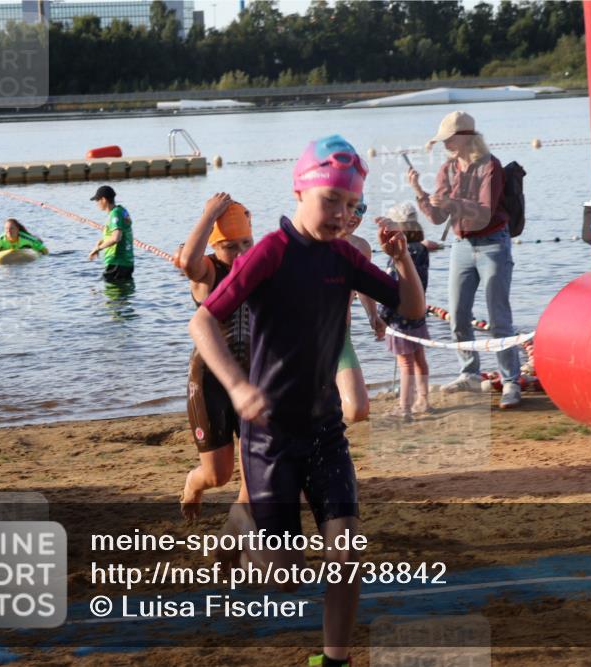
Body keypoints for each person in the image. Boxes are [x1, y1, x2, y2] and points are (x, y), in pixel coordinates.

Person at [189, 135, 425, 667]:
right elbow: (202, 323)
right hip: (269, 438)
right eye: (331, 200)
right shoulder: (269, 253)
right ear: (299, 191)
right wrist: (238, 386)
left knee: (347, 554)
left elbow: (411, 307)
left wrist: (402, 260)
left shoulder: (343, 256)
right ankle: (243, 526)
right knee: (283, 577)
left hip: (324, 432)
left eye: (351, 204)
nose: (342, 214)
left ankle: (334, 660)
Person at [408, 110, 522, 409]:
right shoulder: (447, 169)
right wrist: (420, 192)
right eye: (443, 139)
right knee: (458, 315)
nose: (445, 143)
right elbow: (437, 217)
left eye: (449, 138)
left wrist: (451, 202)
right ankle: (469, 373)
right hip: (461, 245)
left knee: (499, 318)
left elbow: (484, 212)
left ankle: (511, 381)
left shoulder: (490, 166)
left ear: (466, 137)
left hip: (493, 244)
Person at [174, 193, 254, 521]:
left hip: (251, 382)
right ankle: (193, 485)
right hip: (210, 383)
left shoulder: (259, 267)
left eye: (246, 243)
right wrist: (208, 216)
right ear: (215, 246)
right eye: (230, 246)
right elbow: (188, 263)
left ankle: (244, 524)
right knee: (217, 474)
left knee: (254, 470)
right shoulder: (208, 273)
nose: (240, 253)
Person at [378, 203, 431, 421]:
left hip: (399, 318)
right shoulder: (421, 249)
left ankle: (405, 406)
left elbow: (391, 284)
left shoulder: (399, 254)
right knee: (419, 358)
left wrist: (382, 316)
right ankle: (424, 399)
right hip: (418, 314)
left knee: (405, 363)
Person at [337, 195, 387, 423]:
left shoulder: (360, 247)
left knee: (357, 410)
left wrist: (373, 315)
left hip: (340, 338)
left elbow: (363, 285)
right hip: (304, 341)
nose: (355, 216)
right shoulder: (307, 243)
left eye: (361, 210)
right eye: (350, 208)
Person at [88, 185, 134, 282]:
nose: (97, 204)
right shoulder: (122, 210)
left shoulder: (115, 214)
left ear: (104, 199)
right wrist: (102, 241)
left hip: (116, 263)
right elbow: (119, 233)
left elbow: (116, 238)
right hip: (126, 262)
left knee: (107, 289)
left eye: (97, 200)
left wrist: (97, 248)